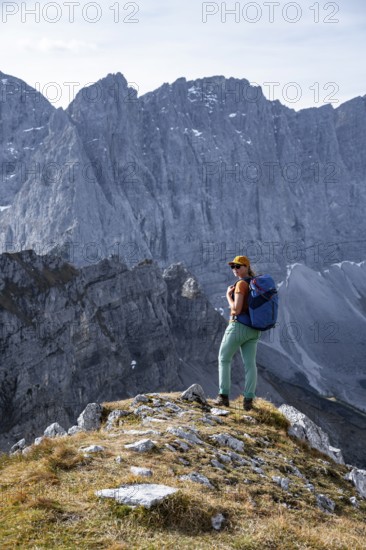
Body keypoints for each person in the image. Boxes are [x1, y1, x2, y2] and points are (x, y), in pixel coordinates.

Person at [214, 255, 261, 411]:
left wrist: (228, 295)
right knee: (250, 364)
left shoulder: (241, 284)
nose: (235, 269)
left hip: (239, 326)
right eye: (232, 266)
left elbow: (236, 309)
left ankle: (223, 397)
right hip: (254, 330)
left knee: (223, 358)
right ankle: (248, 401)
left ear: (246, 267)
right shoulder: (255, 283)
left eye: (238, 266)